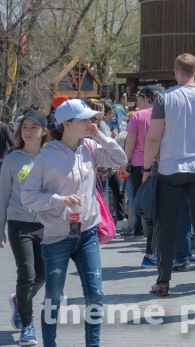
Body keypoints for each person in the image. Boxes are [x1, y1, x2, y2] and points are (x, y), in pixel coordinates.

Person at [21, 99, 128, 347]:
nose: (91, 122)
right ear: (67, 124)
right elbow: (28, 195)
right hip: (57, 237)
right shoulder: (47, 156)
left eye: (91, 118)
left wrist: (99, 136)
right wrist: (58, 200)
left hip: (87, 233)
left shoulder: (89, 146)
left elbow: (119, 157)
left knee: (95, 294)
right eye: (84, 119)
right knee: (54, 298)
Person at [142, 53, 195, 296]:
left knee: (167, 224)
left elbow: (154, 137)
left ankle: (163, 281)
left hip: (171, 169)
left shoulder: (164, 99)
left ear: (175, 71)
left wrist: (146, 169)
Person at [0, 109, 49, 346]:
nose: (28, 132)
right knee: (26, 274)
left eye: (33, 127)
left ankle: (20, 302)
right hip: (19, 224)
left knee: (42, 275)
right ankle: (27, 326)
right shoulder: (12, 160)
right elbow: (3, 195)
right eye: (25, 127)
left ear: (44, 131)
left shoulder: (51, 157)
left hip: (46, 225)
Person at [124, 86, 160, 258]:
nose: (138, 100)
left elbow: (130, 141)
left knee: (143, 202)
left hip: (139, 164)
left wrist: (126, 160)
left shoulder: (137, 116)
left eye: (139, 97)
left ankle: (145, 236)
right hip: (161, 163)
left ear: (145, 98)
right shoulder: (164, 114)